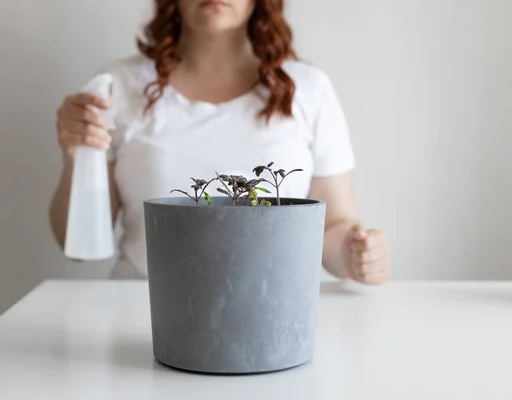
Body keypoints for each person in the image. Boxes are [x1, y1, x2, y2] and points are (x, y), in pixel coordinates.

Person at [50, 0, 391, 284]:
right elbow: (74, 242)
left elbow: (332, 227)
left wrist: (355, 253)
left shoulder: (307, 89)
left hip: (269, 315)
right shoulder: (117, 87)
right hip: (141, 311)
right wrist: (75, 156)